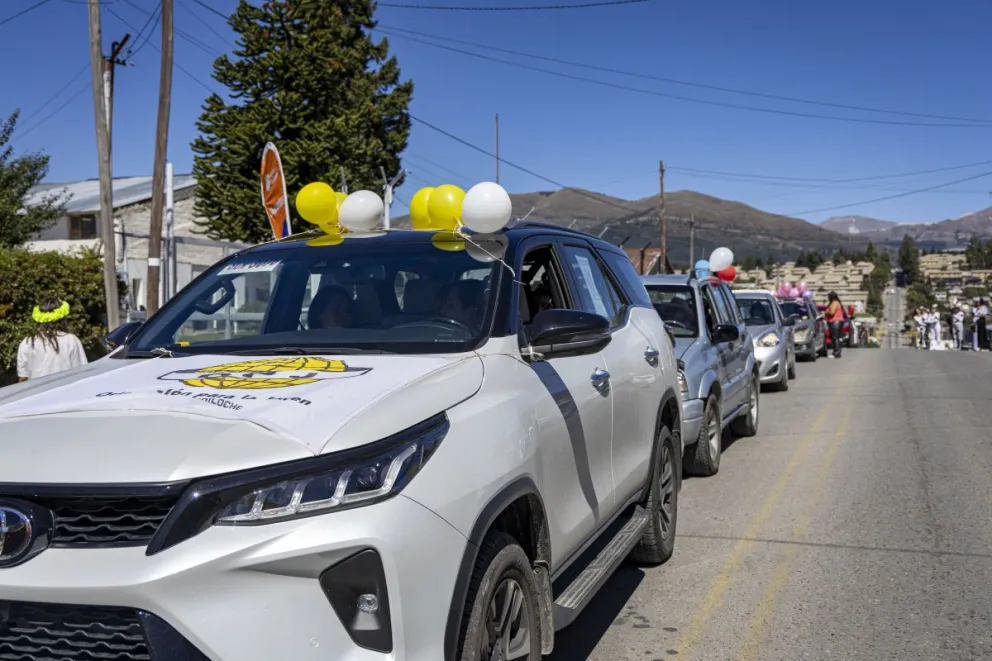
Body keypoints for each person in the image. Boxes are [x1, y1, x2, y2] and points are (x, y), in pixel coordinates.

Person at [16, 298, 88, 382]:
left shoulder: (26, 343)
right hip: (67, 388)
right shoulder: (71, 340)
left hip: (39, 390)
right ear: (62, 319)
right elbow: (82, 372)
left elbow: (23, 378)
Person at [825, 291, 845, 358]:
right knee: (835, 338)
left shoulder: (834, 303)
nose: (828, 298)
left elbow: (832, 312)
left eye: (828, 297)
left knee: (835, 338)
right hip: (836, 322)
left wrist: (826, 312)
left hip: (835, 322)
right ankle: (835, 352)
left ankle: (837, 353)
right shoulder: (835, 302)